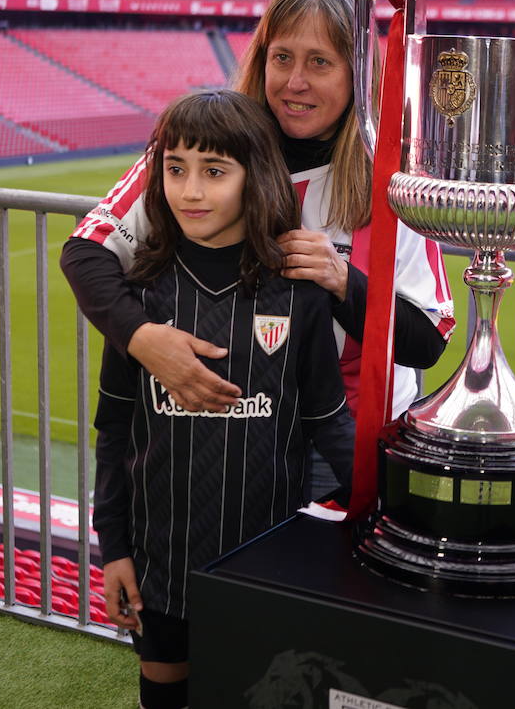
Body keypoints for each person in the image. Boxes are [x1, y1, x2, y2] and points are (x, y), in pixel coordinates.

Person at [62, 0, 455, 461]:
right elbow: (87, 252)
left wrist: (342, 282)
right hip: (228, 431)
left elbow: (427, 344)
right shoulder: (209, 144)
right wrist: (143, 340)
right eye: (282, 57)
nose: (296, 82)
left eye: (320, 62)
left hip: (344, 443)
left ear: (357, 71)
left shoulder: (392, 176)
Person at [91, 89, 355, 709]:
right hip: (161, 564)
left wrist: (391, 520)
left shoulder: (299, 296)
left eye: (213, 171)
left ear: (254, 176)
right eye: (175, 168)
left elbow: (329, 423)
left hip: (264, 568)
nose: (190, 191)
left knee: (253, 693)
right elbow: (114, 430)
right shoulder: (140, 300)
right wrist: (115, 550)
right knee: (165, 693)